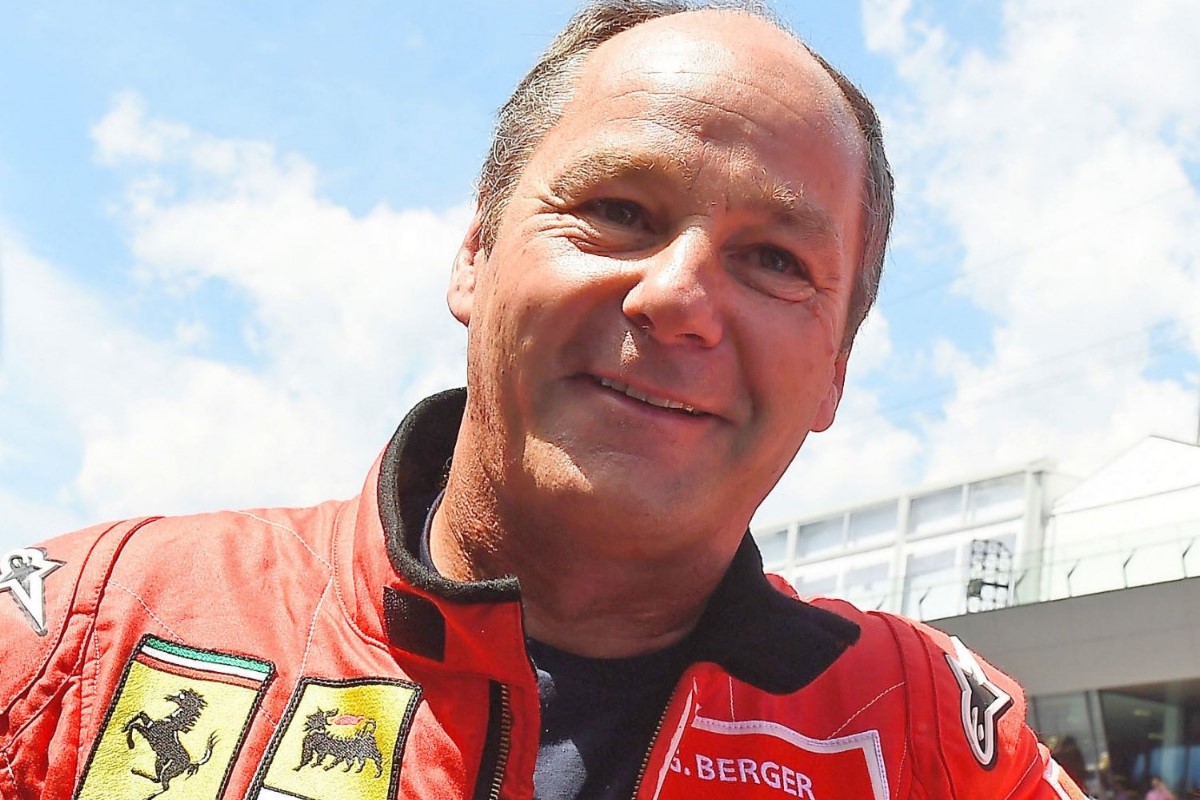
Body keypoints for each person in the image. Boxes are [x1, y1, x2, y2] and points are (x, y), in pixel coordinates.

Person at [0, 2, 1086, 798]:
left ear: (837, 370)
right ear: (475, 251)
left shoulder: (935, 733)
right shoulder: (90, 629)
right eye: (618, 207)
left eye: (774, 260)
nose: (677, 297)